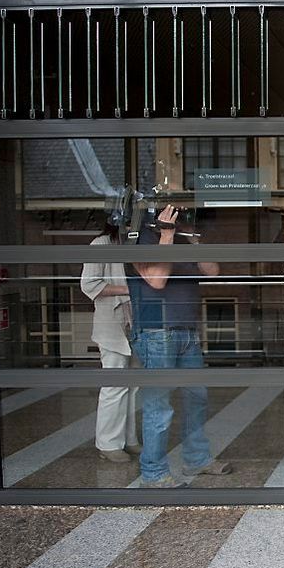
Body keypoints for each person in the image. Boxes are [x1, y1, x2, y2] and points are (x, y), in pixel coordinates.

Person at [129, 204, 231, 488]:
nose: (180, 216)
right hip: (156, 331)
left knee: (197, 397)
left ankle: (197, 459)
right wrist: (167, 235)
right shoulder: (141, 239)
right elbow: (157, 280)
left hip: (187, 331)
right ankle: (153, 474)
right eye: (174, 211)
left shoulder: (185, 237)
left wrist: (193, 235)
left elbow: (212, 271)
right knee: (158, 405)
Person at [80, 220, 141, 463]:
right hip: (112, 323)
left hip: (134, 321)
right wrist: (129, 290)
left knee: (134, 384)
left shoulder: (132, 243)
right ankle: (108, 444)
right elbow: (89, 284)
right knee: (115, 384)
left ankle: (129, 439)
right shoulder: (101, 244)